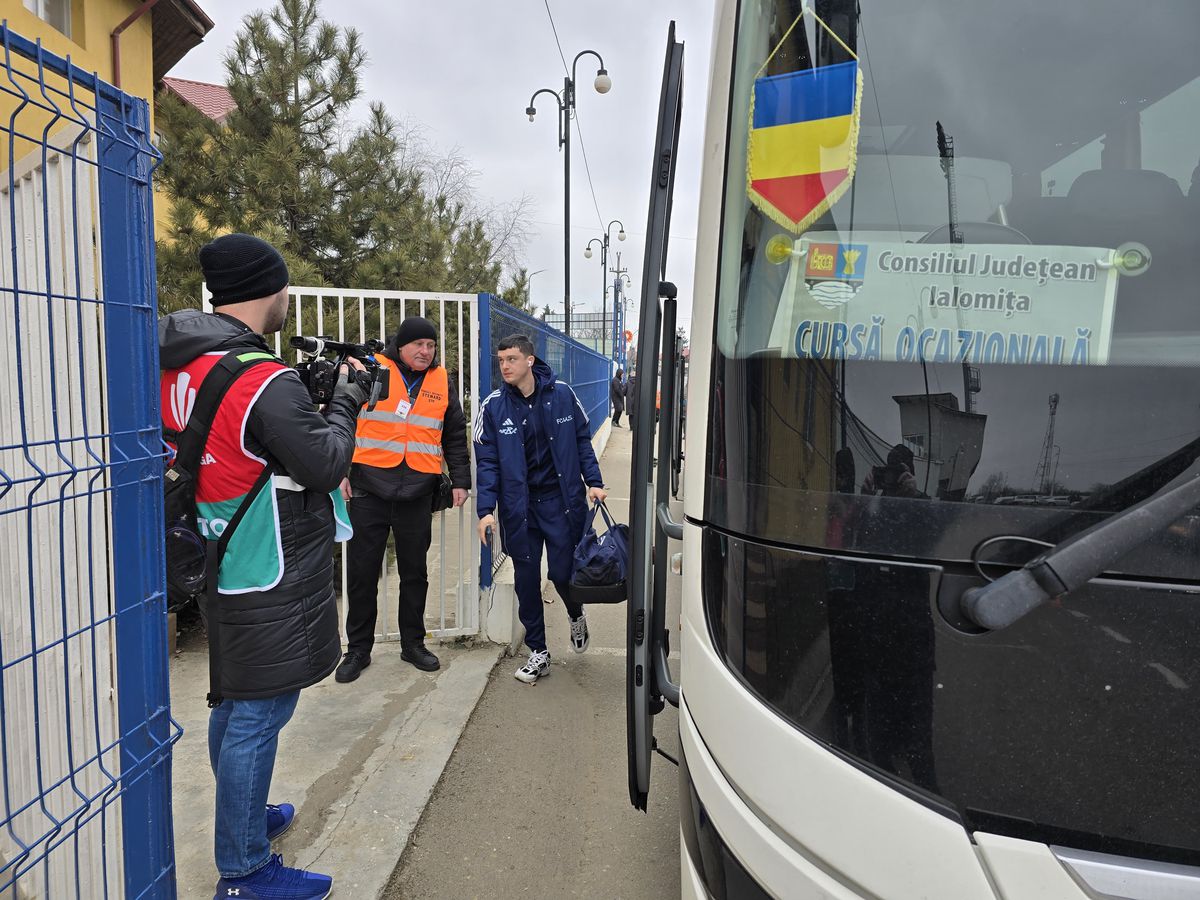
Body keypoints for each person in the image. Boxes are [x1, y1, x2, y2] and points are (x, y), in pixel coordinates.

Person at [160, 234, 367, 899]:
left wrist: (305, 405)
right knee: (259, 711)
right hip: (263, 560)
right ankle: (245, 870)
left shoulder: (179, 363)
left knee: (234, 697)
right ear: (269, 291)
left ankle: (244, 816)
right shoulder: (261, 377)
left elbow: (241, 444)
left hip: (211, 551)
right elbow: (325, 462)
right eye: (283, 287)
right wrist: (345, 401)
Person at [336, 317, 471, 680]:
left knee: (415, 573)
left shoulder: (441, 380)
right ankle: (358, 649)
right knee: (362, 573)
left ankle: (413, 644)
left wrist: (461, 480)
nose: (426, 352)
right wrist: (340, 472)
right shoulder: (372, 368)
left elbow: (453, 433)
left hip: (417, 490)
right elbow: (342, 420)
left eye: (431, 345)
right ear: (401, 345)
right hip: (369, 486)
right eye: (418, 345)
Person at [474, 334, 607, 683]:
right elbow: (487, 463)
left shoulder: (562, 394)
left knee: (563, 574)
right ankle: (539, 652)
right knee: (527, 579)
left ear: (529, 360)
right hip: (519, 509)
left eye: (512, 359)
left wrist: (594, 481)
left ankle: (575, 614)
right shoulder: (493, 406)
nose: (505, 366)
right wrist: (485, 510)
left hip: (561, 503)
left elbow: (582, 439)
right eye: (501, 360)